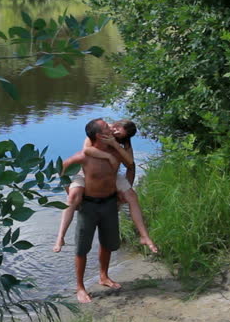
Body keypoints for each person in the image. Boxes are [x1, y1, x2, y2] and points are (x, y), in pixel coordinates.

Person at [53, 119, 158, 254]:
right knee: (73, 196)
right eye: (115, 128)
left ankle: (144, 236)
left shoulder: (121, 142)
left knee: (132, 196)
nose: (114, 132)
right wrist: (108, 156)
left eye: (119, 135)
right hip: (87, 170)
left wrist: (115, 145)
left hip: (110, 173)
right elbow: (86, 151)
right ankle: (60, 237)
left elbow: (130, 164)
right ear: (116, 124)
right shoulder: (99, 130)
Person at [60, 118, 124, 303]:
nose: (110, 128)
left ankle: (104, 276)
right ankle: (80, 287)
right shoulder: (83, 156)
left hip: (110, 203)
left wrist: (121, 193)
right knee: (82, 248)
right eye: (106, 128)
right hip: (88, 205)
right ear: (99, 135)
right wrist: (71, 194)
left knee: (108, 243)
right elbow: (62, 170)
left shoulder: (115, 150)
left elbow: (130, 164)